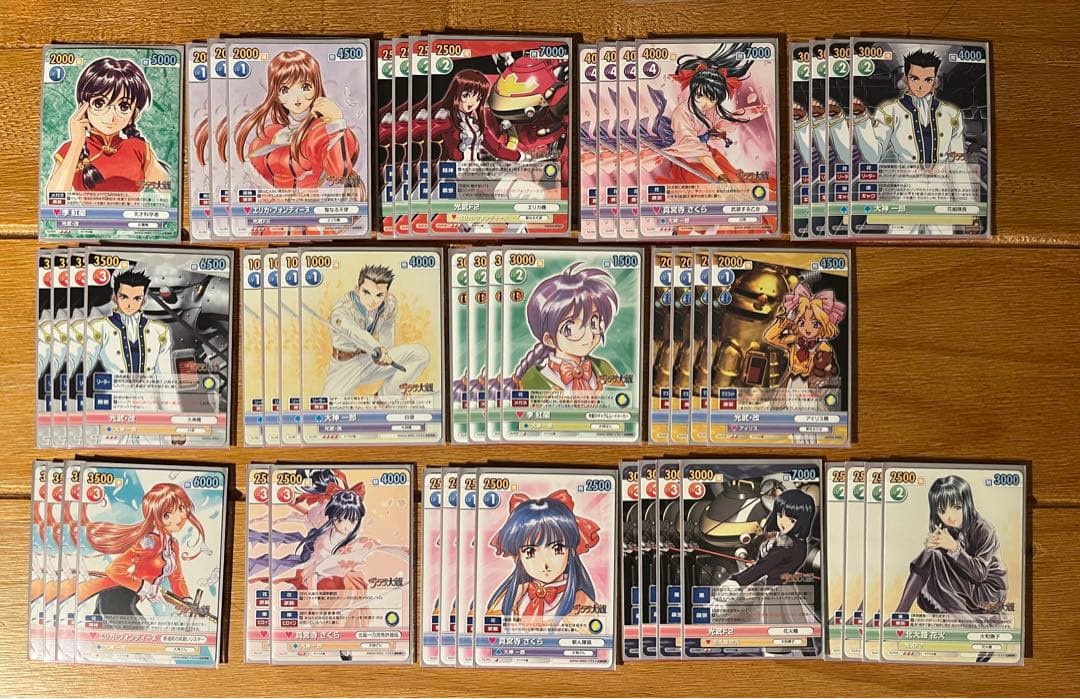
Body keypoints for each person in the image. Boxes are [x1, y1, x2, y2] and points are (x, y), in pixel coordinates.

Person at [851, 49, 973, 235]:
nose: (921, 86)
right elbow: (873, 155)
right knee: (898, 245)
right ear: (906, 79)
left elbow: (957, 164)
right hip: (906, 192)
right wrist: (861, 119)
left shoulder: (951, 114)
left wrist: (970, 211)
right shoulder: (891, 111)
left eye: (927, 80)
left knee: (944, 246)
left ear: (935, 82)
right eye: (915, 78)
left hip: (940, 194)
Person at [76, 483, 205, 628]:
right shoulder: (149, 541)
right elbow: (114, 569)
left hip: (128, 599)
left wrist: (185, 599)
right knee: (139, 633)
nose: (178, 517)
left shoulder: (172, 545)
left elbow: (176, 577)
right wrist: (146, 588)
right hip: (116, 595)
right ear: (155, 517)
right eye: (167, 514)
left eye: (181, 508)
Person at [46, 57, 170, 197]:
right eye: (99, 103)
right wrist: (77, 144)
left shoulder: (138, 149)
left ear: (135, 114)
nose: (111, 117)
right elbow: (54, 198)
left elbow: (169, 190)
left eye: (124, 106)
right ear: (83, 107)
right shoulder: (70, 149)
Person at [893, 475, 1008, 618]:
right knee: (930, 554)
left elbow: (980, 574)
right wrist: (935, 547)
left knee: (931, 556)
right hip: (967, 584)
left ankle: (900, 614)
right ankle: (900, 614)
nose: (950, 517)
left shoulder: (984, 529)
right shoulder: (947, 529)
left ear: (967, 504)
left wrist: (954, 548)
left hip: (988, 593)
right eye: (942, 511)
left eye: (957, 507)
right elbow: (943, 563)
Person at [486, 490, 600, 626]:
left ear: (570, 552)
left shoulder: (581, 602)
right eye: (530, 552)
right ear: (518, 557)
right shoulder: (512, 597)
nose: (545, 564)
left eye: (557, 549)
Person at [511, 263, 623, 396]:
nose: (589, 336)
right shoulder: (532, 381)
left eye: (594, 322)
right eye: (569, 328)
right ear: (549, 339)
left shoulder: (603, 369)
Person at [322, 264, 430, 398]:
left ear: (386, 295)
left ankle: (383, 399)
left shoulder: (389, 304)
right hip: (345, 366)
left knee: (420, 354)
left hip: (370, 360)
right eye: (366, 292)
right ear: (357, 290)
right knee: (329, 406)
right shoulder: (342, 310)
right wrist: (376, 349)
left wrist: (386, 355)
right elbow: (355, 333)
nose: (372, 301)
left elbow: (387, 332)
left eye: (379, 295)